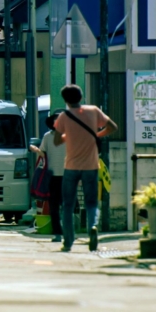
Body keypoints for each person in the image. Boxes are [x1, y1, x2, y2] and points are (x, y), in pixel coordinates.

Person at [53, 85, 117, 253]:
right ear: (81, 97)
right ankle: (93, 227)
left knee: (67, 204)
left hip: (71, 166)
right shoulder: (94, 111)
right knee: (91, 202)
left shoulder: (63, 117)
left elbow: (57, 141)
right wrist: (96, 135)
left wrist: (69, 136)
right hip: (91, 166)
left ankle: (68, 241)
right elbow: (112, 127)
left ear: (65, 100)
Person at [30, 110, 66, 242]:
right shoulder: (47, 137)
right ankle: (58, 232)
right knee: (54, 206)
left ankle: (65, 232)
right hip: (52, 177)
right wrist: (34, 149)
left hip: (68, 176)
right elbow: (42, 154)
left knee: (66, 206)